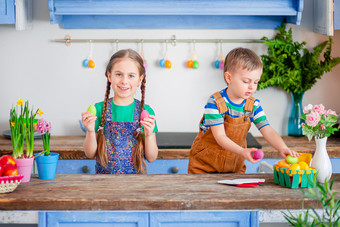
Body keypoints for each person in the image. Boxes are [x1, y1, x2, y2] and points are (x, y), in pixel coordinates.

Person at [188, 47, 299, 174]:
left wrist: (282, 147)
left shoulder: (253, 106)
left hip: (234, 166)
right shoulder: (215, 102)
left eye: (256, 82)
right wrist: (242, 151)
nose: (252, 87)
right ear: (229, 78)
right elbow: (220, 137)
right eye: (246, 81)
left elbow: (267, 129)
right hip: (204, 166)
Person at [81, 49, 158, 174]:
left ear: (140, 79)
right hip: (104, 184)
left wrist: (149, 135)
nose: (124, 81)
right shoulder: (99, 109)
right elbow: (90, 154)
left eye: (131, 76)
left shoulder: (146, 111)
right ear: (109, 76)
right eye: (119, 74)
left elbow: (151, 157)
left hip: (136, 184)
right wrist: (90, 131)